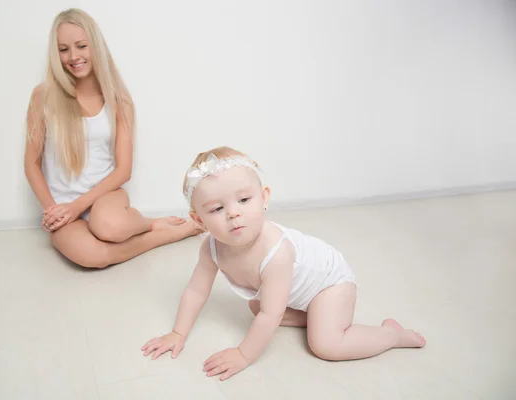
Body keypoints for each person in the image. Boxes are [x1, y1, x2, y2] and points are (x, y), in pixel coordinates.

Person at [141, 146, 426, 381]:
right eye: (217, 208)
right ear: (199, 220)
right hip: (294, 292)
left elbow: (270, 316)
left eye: (243, 199)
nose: (233, 214)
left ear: (264, 199)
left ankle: (391, 334)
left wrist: (243, 354)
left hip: (331, 285)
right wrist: (178, 333)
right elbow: (196, 291)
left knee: (324, 344)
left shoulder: (277, 252)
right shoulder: (211, 247)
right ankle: (315, 316)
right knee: (258, 306)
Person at [24, 8, 202, 269]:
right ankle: (160, 234)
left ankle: (149, 223)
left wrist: (79, 206)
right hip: (63, 206)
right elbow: (31, 162)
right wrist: (53, 211)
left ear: (95, 45)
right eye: (63, 49)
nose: (73, 57)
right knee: (92, 257)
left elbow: (123, 170)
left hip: (105, 195)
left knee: (109, 227)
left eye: (81, 46)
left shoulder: (119, 100)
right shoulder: (42, 96)